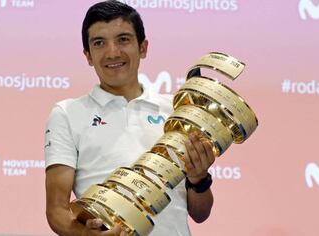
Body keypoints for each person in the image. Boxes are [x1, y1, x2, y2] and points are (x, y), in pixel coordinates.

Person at [44, 1, 215, 235]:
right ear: (88, 56)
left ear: (143, 47)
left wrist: (199, 180)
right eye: (99, 43)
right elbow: (56, 210)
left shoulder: (176, 110)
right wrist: (84, 233)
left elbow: (200, 213)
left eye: (123, 39)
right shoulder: (67, 113)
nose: (112, 52)